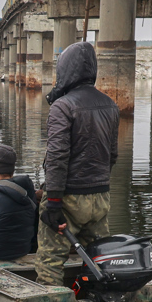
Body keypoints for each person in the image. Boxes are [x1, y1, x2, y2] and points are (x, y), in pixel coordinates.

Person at [35, 40, 120, 286]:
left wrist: (53, 203)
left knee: (50, 261)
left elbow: (57, 157)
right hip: (100, 196)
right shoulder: (111, 105)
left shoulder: (63, 106)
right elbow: (112, 155)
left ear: (65, 71)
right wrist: (98, 184)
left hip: (69, 197)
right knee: (102, 259)